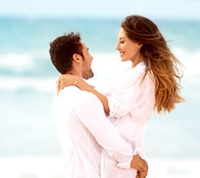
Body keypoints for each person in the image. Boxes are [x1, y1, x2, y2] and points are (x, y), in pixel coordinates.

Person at [57, 15, 184, 178]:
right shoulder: (134, 73)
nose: (117, 47)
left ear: (139, 43)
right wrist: (77, 83)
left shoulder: (142, 74)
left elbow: (114, 107)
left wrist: (80, 83)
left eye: (122, 41)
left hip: (122, 157)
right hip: (120, 156)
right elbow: (106, 97)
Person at [48, 32, 148, 178]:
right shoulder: (84, 99)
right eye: (87, 51)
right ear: (77, 58)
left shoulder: (59, 99)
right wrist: (140, 164)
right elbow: (112, 142)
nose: (91, 57)